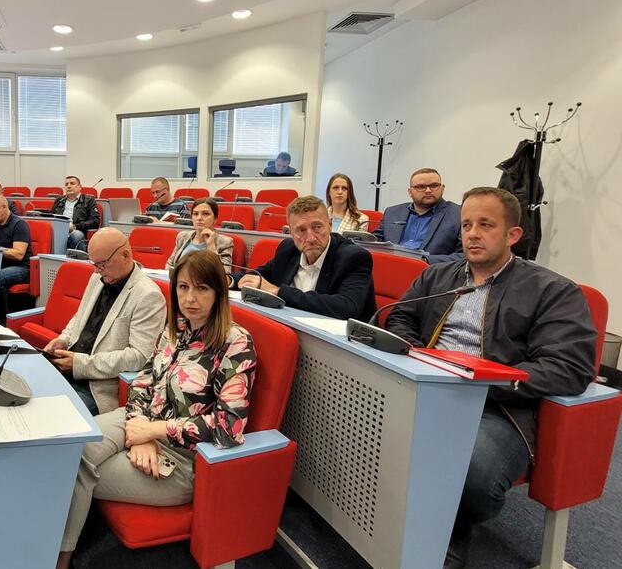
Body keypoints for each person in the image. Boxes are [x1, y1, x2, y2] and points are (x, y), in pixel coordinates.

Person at [384, 187, 595, 568]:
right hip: (425, 387)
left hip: (500, 407)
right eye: (466, 225)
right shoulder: (439, 275)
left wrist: (481, 380)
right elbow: (399, 316)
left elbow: (570, 367)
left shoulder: (553, 291)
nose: (472, 234)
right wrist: (418, 353)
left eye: (486, 225)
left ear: (513, 234)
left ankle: (453, 530)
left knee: (474, 475)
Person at [56, 250, 257, 568]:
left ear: (219, 292)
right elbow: (142, 383)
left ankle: (59, 560)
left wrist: (155, 431)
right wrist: (141, 431)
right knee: (64, 450)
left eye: (202, 288)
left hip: (184, 457)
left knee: (75, 469)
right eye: (183, 288)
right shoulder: (175, 329)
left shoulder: (235, 343)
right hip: (139, 422)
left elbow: (228, 426)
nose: (190, 298)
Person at [40, 228, 166, 415]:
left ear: (125, 255)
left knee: (50, 414)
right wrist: (64, 339)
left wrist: (80, 364)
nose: (97, 271)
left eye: (102, 264)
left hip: (96, 388)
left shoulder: (148, 296)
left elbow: (140, 356)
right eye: (94, 264)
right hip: (68, 367)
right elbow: (79, 316)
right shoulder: (97, 278)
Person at [239, 195, 376, 321]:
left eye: (317, 227)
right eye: (301, 230)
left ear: (329, 225)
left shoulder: (354, 257)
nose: (310, 238)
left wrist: (278, 291)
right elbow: (257, 276)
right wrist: (230, 280)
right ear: (291, 233)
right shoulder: (288, 249)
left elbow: (346, 307)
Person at [374, 168, 462, 263]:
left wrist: (425, 260)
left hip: (430, 272)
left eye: (434, 185)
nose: (428, 190)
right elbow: (375, 241)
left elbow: (464, 255)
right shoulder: (392, 212)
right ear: (410, 192)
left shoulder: (458, 214)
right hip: (390, 266)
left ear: (442, 188)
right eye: (421, 187)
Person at [0, 194, 31, 323]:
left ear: (4, 207)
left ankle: (0, 321)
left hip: (22, 268)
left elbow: (19, 254)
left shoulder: (19, 224)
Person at [165, 197, 233, 282]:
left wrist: (210, 246)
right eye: (195, 214)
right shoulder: (183, 236)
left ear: (215, 219)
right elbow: (170, 264)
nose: (199, 218)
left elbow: (222, 277)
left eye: (205, 214)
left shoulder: (225, 242)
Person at [50, 175, 100, 252]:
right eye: (66, 184)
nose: (69, 186)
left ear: (80, 187)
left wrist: (74, 226)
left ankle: (75, 262)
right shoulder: (59, 200)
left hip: (76, 231)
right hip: (59, 231)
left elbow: (95, 221)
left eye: (72, 183)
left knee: (77, 235)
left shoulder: (89, 200)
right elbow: (51, 218)